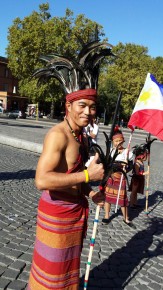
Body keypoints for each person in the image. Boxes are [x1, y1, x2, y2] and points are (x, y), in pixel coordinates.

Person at [27, 40, 113, 290]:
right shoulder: (58, 135)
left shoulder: (81, 136)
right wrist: (87, 176)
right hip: (57, 214)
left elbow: (73, 174)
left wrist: (90, 191)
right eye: (82, 105)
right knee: (50, 274)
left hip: (75, 213)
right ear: (68, 106)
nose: (88, 112)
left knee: (67, 271)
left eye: (93, 107)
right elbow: (42, 180)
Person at [102, 127, 136, 229]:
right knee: (107, 197)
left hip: (121, 178)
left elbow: (131, 165)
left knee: (123, 199)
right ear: (113, 142)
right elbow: (107, 164)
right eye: (116, 141)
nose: (118, 143)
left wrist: (127, 168)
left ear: (123, 141)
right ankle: (107, 215)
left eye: (120, 141)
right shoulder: (111, 151)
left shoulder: (127, 152)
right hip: (111, 177)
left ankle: (126, 218)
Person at [129, 145, 149, 209]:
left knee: (136, 192)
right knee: (134, 191)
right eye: (145, 156)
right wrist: (145, 173)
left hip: (140, 178)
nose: (146, 157)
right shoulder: (137, 163)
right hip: (136, 179)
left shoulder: (141, 162)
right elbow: (137, 173)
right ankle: (131, 204)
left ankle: (135, 203)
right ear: (141, 156)